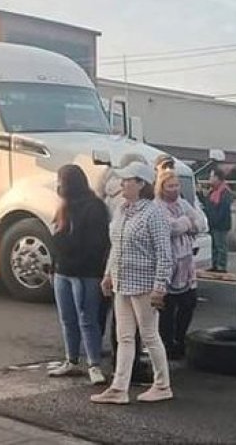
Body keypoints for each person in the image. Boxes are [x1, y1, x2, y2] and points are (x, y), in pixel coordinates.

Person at [92, 161, 173, 405]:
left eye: (127, 180)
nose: (122, 183)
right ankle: (119, 387)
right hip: (122, 282)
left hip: (144, 284)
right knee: (124, 337)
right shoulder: (121, 210)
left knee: (149, 335)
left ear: (141, 184)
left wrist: (160, 286)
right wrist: (108, 274)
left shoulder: (154, 212)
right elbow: (116, 246)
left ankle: (162, 385)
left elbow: (163, 253)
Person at [48, 165, 111, 385]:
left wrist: (64, 248)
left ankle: (94, 363)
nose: (58, 185)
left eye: (61, 181)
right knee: (67, 319)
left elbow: (96, 244)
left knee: (87, 319)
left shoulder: (94, 207)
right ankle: (71, 360)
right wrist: (54, 266)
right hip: (63, 272)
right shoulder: (64, 207)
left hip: (85, 273)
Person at [155, 170, 207, 359]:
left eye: (177, 186)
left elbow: (200, 223)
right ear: (162, 188)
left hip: (186, 262)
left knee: (188, 303)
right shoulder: (157, 206)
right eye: (170, 186)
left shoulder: (183, 204)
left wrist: (187, 223)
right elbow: (172, 228)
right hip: (167, 261)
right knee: (167, 307)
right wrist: (187, 223)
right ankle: (167, 343)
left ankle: (180, 337)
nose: (175, 190)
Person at [204, 169, 232, 273]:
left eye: (211, 177)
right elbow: (208, 205)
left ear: (217, 178)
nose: (210, 179)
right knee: (214, 246)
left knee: (221, 246)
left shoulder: (225, 192)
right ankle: (215, 264)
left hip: (221, 224)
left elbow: (223, 209)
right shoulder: (212, 191)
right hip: (212, 223)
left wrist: (215, 220)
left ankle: (221, 266)